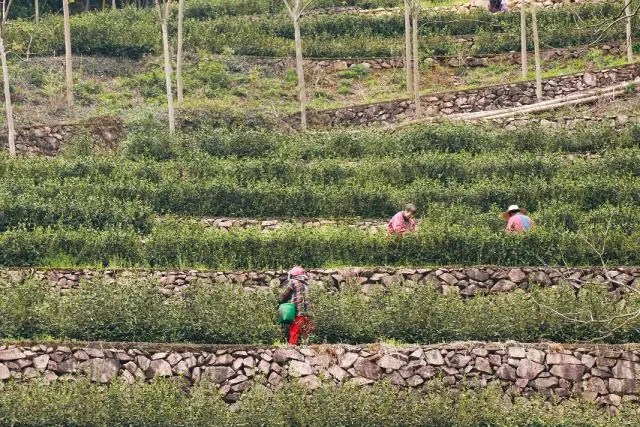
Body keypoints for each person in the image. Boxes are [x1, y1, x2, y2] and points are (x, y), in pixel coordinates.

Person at [279, 266, 313, 345]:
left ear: (293, 275)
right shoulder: (308, 284)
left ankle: (292, 351)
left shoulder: (293, 282)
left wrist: (280, 301)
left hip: (298, 313)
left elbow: (283, 296)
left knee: (294, 333)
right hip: (310, 313)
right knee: (307, 335)